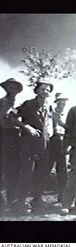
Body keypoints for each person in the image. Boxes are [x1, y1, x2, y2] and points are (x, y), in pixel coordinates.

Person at [12, 80, 54, 213]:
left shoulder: (48, 106)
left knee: (41, 173)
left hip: (43, 144)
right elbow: (12, 116)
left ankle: (37, 200)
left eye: (48, 90)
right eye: (43, 89)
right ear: (36, 91)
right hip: (29, 143)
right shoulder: (28, 104)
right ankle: (21, 202)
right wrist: (26, 126)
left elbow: (48, 123)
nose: (45, 92)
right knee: (27, 172)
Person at [0, 78, 23, 211]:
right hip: (3, 138)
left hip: (17, 140)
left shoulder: (20, 104)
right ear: (6, 88)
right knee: (2, 168)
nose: (12, 89)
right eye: (10, 87)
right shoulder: (2, 103)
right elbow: (3, 123)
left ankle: (12, 199)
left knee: (14, 170)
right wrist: (16, 123)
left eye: (15, 87)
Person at [47, 92, 69, 203]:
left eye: (64, 101)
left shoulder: (68, 113)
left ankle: (62, 194)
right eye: (60, 101)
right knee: (46, 168)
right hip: (51, 142)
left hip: (63, 141)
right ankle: (38, 196)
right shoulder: (50, 112)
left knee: (63, 170)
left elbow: (69, 128)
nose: (62, 103)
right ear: (56, 102)